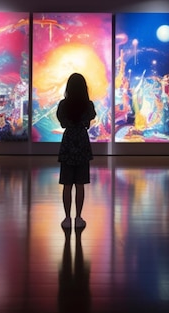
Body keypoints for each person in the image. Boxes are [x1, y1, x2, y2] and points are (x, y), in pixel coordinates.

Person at [57, 73, 96, 229]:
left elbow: (63, 124)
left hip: (68, 143)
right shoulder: (88, 105)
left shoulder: (63, 105)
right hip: (81, 142)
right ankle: (79, 217)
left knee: (67, 184)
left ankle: (67, 218)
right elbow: (89, 120)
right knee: (80, 184)